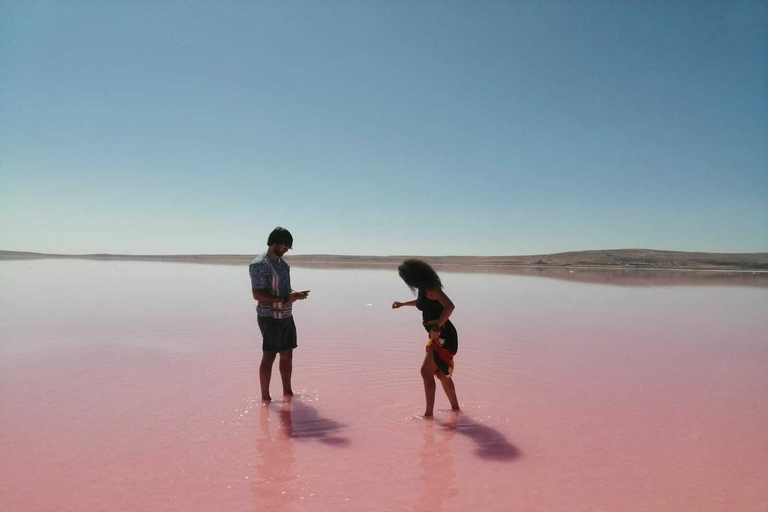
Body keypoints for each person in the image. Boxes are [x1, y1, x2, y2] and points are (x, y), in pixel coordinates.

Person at [392, 259, 459, 417]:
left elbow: (450, 306)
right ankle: (456, 410)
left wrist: (437, 327)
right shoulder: (424, 288)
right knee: (443, 374)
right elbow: (421, 303)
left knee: (425, 372)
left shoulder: (431, 288)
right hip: (437, 334)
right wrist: (402, 304)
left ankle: (428, 414)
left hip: (444, 335)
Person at [249, 227, 309, 401]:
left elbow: (285, 289)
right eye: (284, 246)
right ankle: (265, 398)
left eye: (288, 248)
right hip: (269, 317)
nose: (286, 250)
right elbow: (257, 294)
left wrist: (294, 294)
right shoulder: (259, 265)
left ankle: (287, 392)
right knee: (270, 354)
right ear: (273, 243)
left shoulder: (283, 265)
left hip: (286, 315)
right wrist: (285, 298)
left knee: (287, 353)